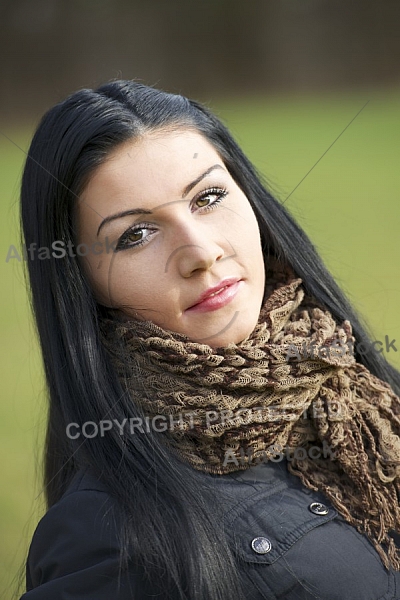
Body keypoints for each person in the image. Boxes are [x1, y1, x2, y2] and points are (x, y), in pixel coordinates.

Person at [19, 80, 400, 600]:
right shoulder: (106, 541)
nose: (200, 252)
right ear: (83, 282)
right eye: (136, 234)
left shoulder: (368, 391)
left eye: (209, 197)